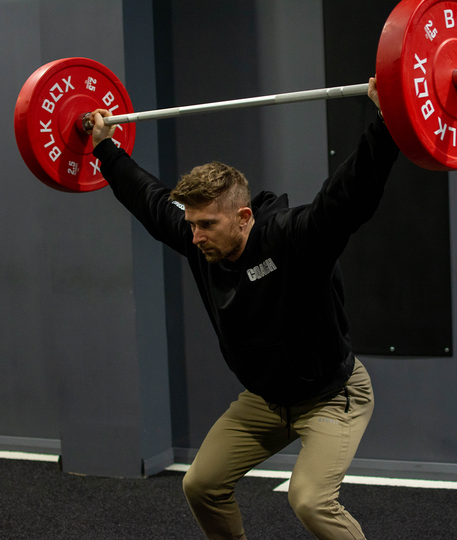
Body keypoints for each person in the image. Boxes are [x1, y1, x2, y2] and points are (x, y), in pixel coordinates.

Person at [89, 76, 399, 540]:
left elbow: (348, 198)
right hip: (267, 401)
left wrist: (387, 124)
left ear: (244, 216)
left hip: (331, 395)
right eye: (192, 224)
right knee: (201, 484)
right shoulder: (200, 242)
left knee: (310, 500)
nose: (194, 237)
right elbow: (152, 203)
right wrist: (105, 148)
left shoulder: (294, 238)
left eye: (207, 225)